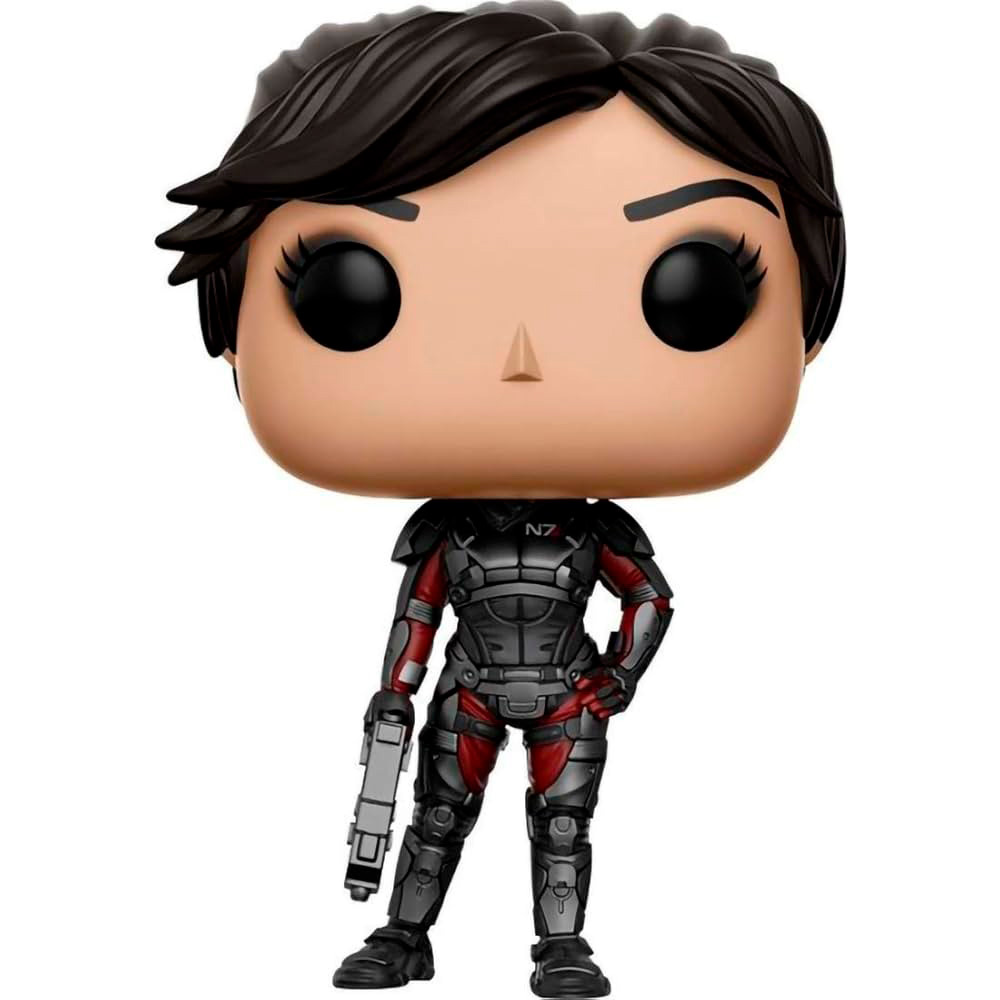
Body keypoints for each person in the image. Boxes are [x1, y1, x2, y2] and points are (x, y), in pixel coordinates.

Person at [157, 4, 844, 995]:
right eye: (349, 288)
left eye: (693, 290)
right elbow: (419, 611)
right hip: (471, 683)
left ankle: (560, 946)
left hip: (565, 684)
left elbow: (651, 597)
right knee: (436, 816)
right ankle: (404, 933)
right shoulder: (445, 533)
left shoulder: (596, 531)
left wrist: (617, 678)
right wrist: (395, 692)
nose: (521, 361)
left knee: (563, 824)